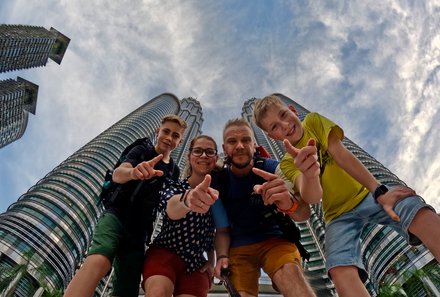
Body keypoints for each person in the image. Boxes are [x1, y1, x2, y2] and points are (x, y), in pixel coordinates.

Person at [253, 94, 440, 297]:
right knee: (338, 267)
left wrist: (378, 190)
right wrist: (310, 174)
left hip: (366, 194)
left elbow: (340, 153)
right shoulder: (288, 164)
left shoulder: (313, 122)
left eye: (284, 115)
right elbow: (313, 197)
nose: (284, 124)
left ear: (293, 110)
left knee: (413, 208)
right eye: (274, 127)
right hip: (337, 216)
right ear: (272, 137)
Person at [64, 114, 187, 297]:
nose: (169, 138)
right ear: (158, 131)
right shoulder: (142, 150)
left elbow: (168, 201)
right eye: (166, 132)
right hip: (117, 213)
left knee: (127, 287)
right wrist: (134, 172)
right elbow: (118, 174)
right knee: (100, 259)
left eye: (175, 136)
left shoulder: (174, 171)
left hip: (140, 230)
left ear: (180, 141)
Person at [206, 118, 317, 297]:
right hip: (237, 248)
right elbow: (222, 230)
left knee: (290, 275)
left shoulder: (271, 168)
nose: (240, 146)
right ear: (224, 147)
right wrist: (221, 257)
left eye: (246, 140)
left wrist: (290, 204)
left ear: (254, 144)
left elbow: (304, 213)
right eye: (232, 141)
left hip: (275, 241)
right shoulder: (219, 180)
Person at [142, 135, 220, 297]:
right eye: (197, 151)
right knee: (158, 292)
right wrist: (188, 199)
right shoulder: (173, 186)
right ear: (189, 156)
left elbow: (214, 231)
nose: (204, 155)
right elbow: (171, 207)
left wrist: (212, 259)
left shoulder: (219, 194)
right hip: (164, 252)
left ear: (216, 158)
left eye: (209, 152)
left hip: (196, 265)